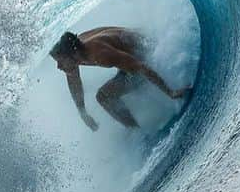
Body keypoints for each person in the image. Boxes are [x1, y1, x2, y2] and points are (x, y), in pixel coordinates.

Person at [49, 26, 190, 131]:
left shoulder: (99, 54)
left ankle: (136, 130)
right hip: (131, 51)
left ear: (71, 54)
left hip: (145, 54)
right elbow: (74, 82)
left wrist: (170, 92)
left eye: (60, 61)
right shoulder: (76, 49)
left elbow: (141, 67)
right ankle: (133, 127)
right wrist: (83, 112)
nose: (59, 67)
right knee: (105, 94)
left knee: (103, 96)